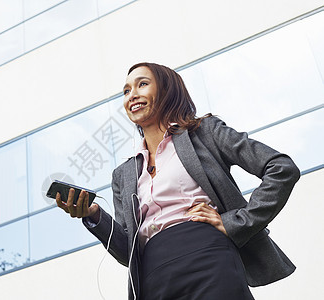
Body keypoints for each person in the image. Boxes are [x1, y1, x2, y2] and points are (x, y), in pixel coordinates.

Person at [56, 62, 300, 300]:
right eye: (127, 90)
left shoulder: (204, 133)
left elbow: (281, 168)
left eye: (142, 84)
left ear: (166, 91)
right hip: (153, 276)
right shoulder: (123, 175)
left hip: (208, 257)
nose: (132, 95)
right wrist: (94, 214)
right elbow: (126, 252)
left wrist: (238, 222)